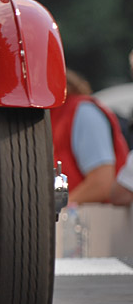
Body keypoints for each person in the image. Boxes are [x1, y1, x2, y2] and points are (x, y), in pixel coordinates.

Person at [51, 69, 129, 205]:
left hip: (99, 221)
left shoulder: (82, 112)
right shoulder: (47, 117)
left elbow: (102, 184)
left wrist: (52, 211)